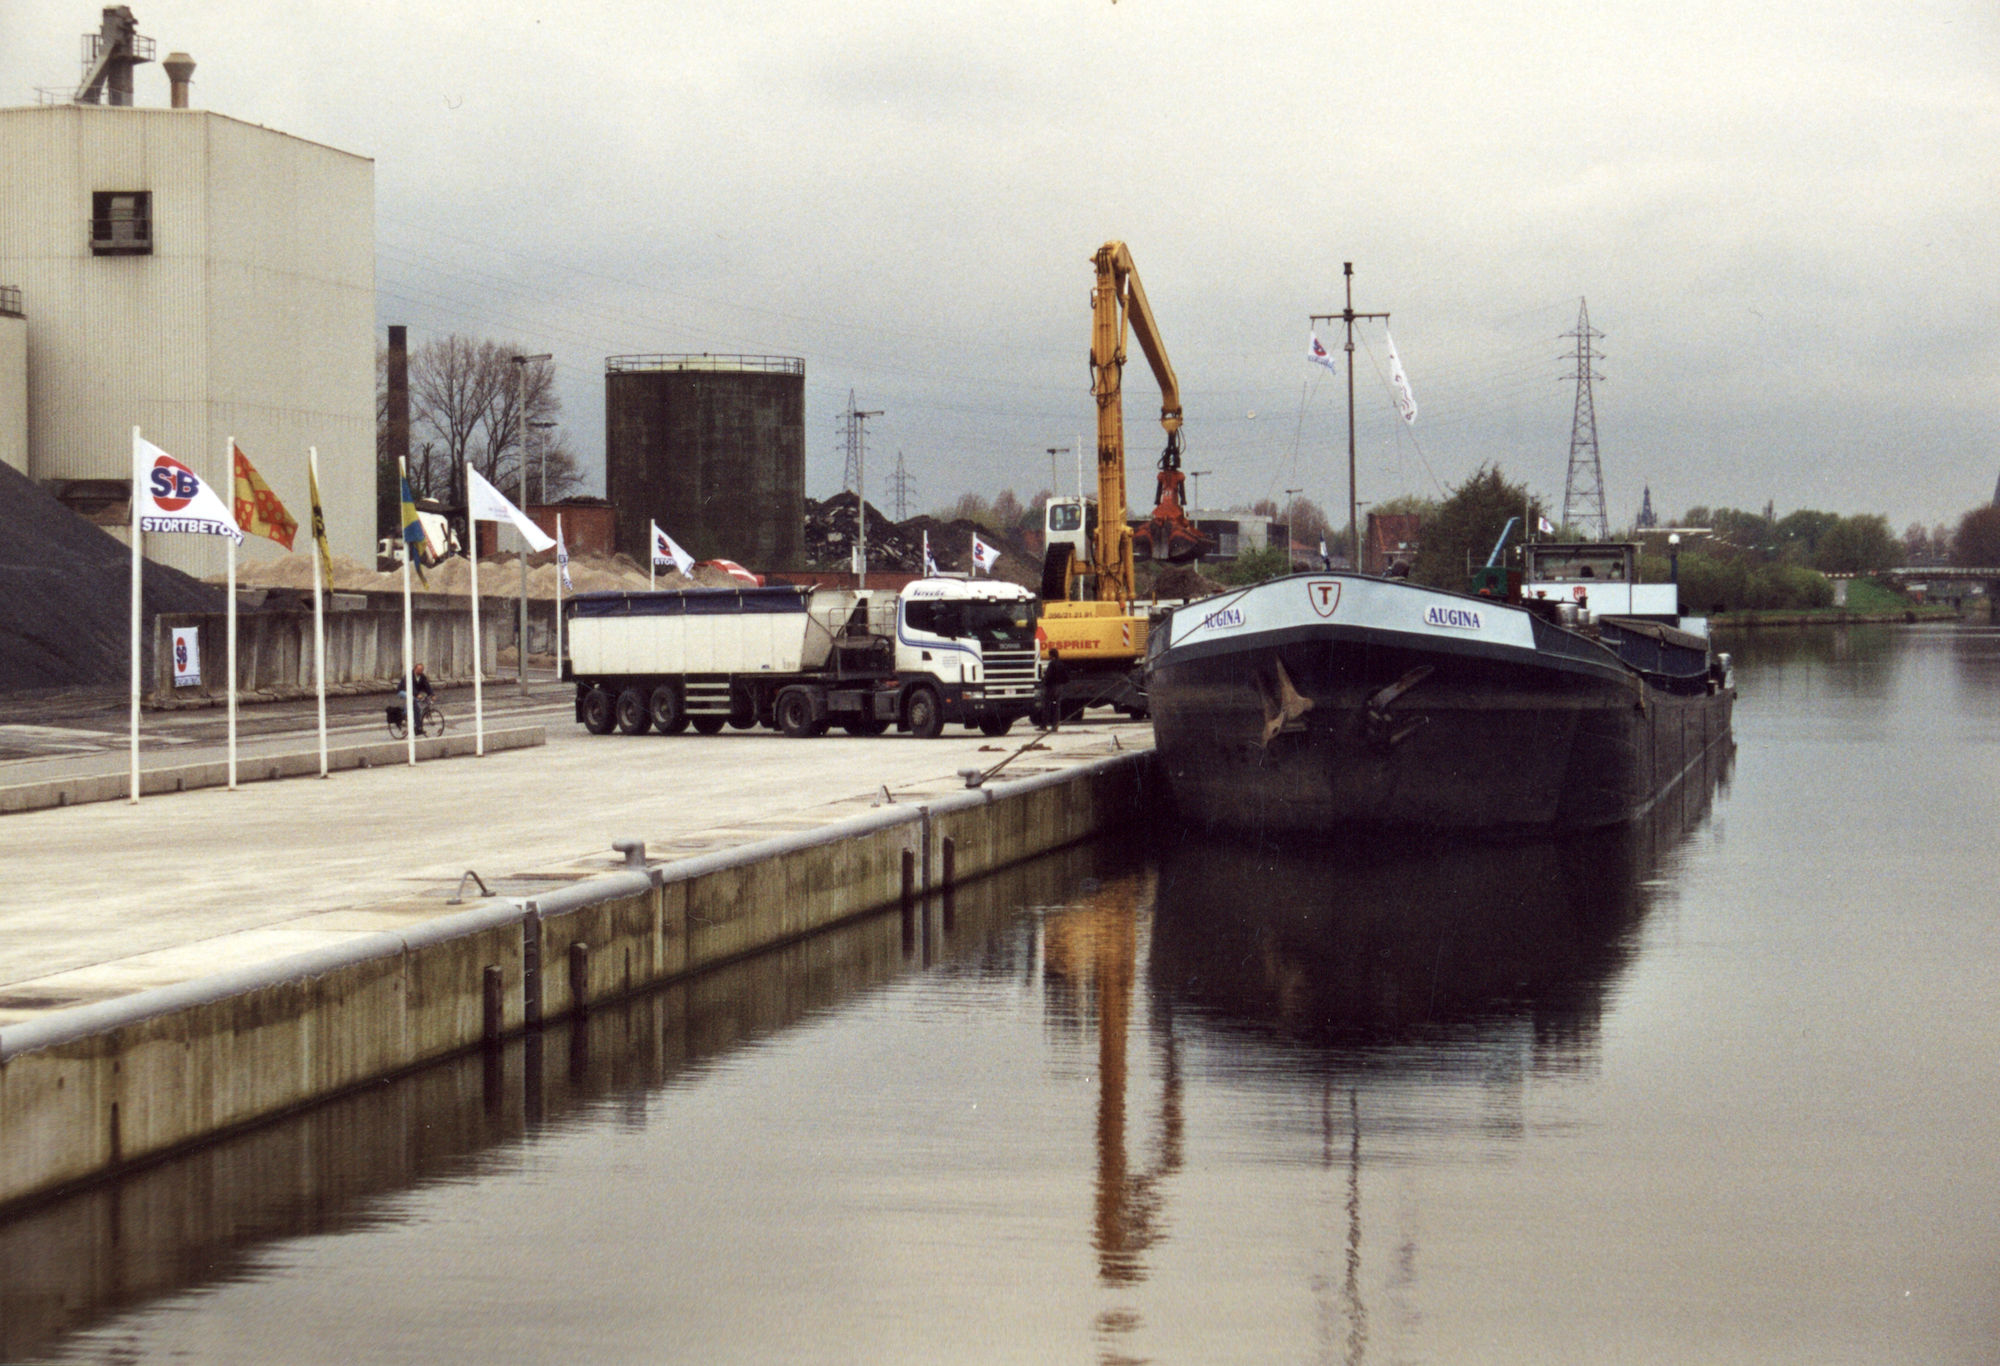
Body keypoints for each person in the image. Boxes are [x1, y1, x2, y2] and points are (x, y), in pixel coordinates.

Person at [396, 663, 434, 735]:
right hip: (402, 691)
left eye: (421, 670)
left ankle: (417, 728)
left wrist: (432, 694)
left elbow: (427, 686)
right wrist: (417, 694)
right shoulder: (409, 676)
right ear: (415, 669)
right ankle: (404, 715)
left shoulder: (422, 677)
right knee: (412, 699)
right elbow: (410, 687)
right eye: (419, 670)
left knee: (417, 709)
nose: (420, 672)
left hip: (413, 692)